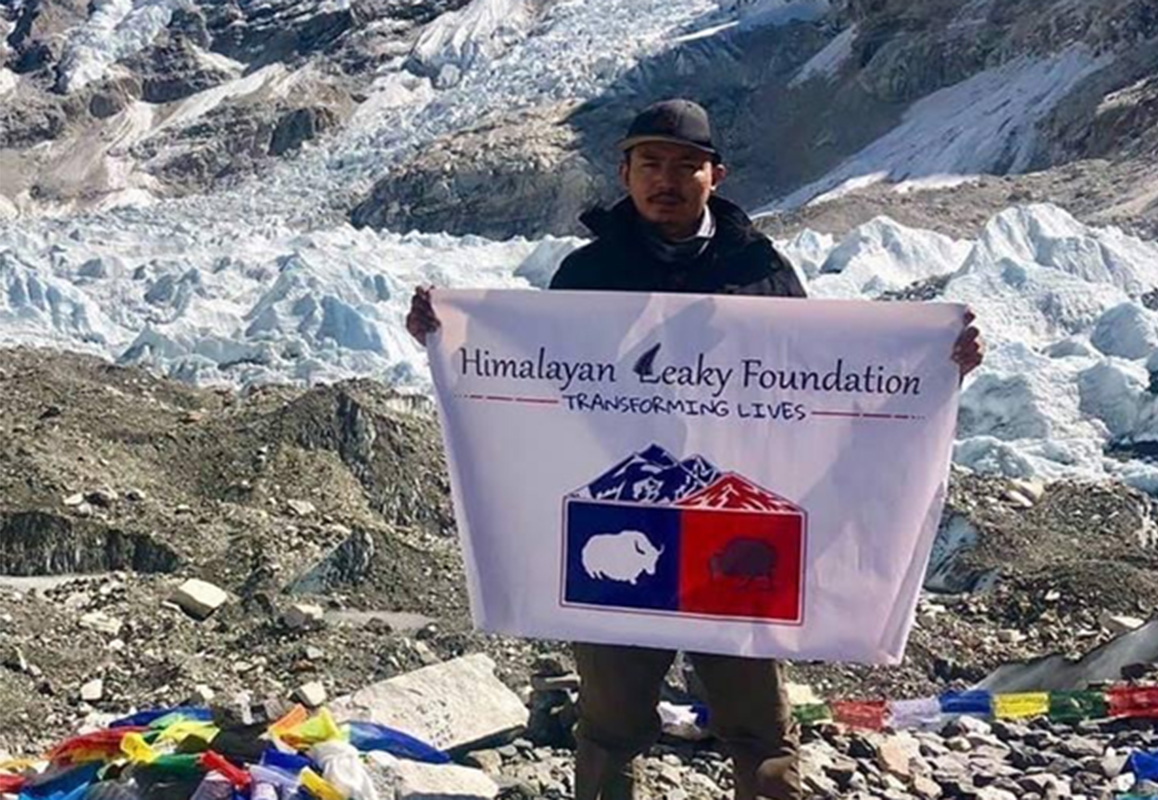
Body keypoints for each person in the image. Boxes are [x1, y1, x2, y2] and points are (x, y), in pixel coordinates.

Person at [407, 98, 984, 800]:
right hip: (626, 514)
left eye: (686, 165)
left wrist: (935, 365)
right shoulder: (586, 275)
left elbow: (822, 385)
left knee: (759, 724)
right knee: (611, 720)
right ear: (624, 173)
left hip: (733, 523)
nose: (667, 180)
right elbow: (535, 376)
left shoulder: (760, 270)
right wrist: (451, 342)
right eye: (651, 163)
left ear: (717, 175)